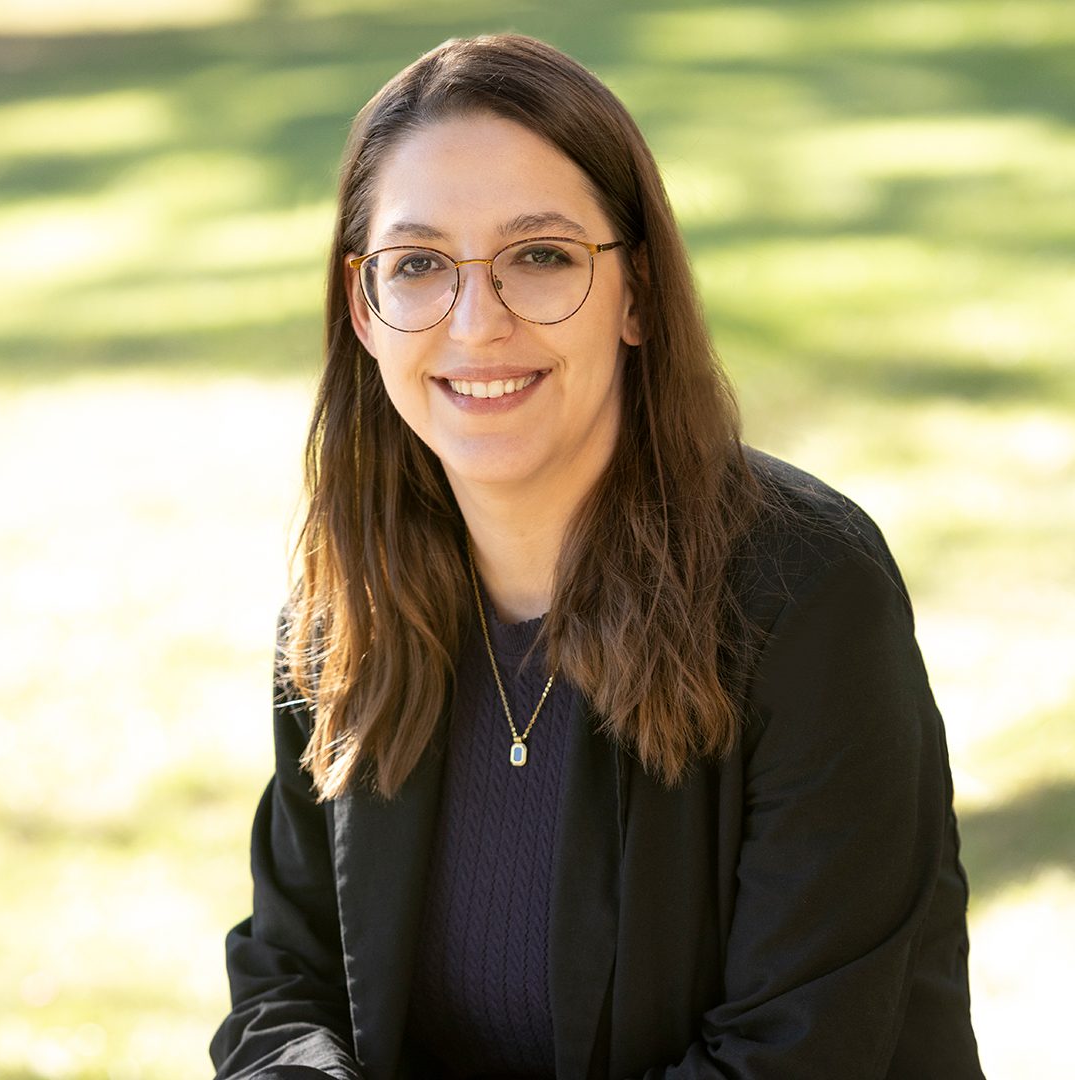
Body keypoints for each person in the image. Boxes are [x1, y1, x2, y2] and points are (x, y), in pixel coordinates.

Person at [209, 34, 985, 1080]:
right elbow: (284, 981)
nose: (476, 323)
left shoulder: (807, 591)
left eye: (541, 256)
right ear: (364, 310)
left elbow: (795, 1054)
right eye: (419, 266)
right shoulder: (348, 603)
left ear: (637, 293)